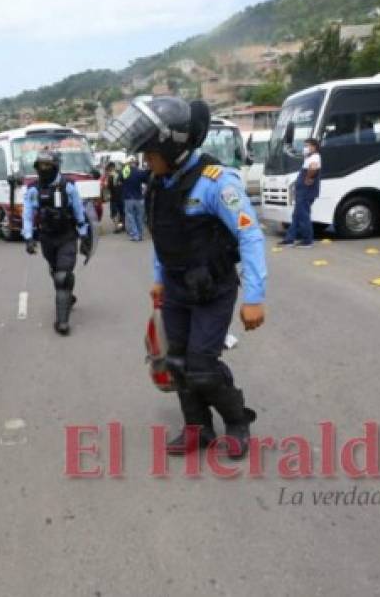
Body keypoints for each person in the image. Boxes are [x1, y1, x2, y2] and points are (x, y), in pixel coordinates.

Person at [103, 96, 267, 459]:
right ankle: (199, 429)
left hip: (213, 288)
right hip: (176, 289)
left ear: (170, 148)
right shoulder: (160, 183)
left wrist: (254, 297)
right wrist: (158, 277)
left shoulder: (216, 183)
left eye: (149, 154)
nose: (145, 161)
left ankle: (238, 422)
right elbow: (164, 235)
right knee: (175, 364)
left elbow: (250, 235)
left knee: (203, 368)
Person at [22, 150, 92, 335]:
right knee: (56, 272)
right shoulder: (33, 189)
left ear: (55, 167)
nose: (44, 169)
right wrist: (28, 238)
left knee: (63, 276)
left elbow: (79, 210)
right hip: (47, 239)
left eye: (47, 166)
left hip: (67, 236)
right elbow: (28, 215)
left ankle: (62, 322)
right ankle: (68, 297)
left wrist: (84, 234)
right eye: (41, 166)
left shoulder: (68, 186)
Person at [279, 137, 321, 248]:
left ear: (314, 147)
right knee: (297, 216)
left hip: (306, 192)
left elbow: (313, 168)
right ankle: (289, 239)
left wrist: (308, 178)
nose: (305, 148)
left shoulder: (315, 157)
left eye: (307, 146)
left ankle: (307, 241)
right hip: (302, 191)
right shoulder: (309, 157)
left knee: (303, 216)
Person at [120, 157, 149, 241]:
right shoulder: (140, 172)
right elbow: (146, 181)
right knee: (140, 217)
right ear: (136, 163)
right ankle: (140, 235)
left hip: (128, 198)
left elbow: (120, 180)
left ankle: (135, 235)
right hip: (139, 198)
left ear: (128, 163)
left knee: (130, 216)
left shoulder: (125, 171)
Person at [104, 162, 125, 233]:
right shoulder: (120, 174)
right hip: (121, 196)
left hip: (114, 198)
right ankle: (122, 226)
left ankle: (118, 228)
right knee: (121, 213)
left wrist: (106, 184)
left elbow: (108, 187)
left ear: (110, 168)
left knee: (114, 214)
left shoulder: (110, 176)